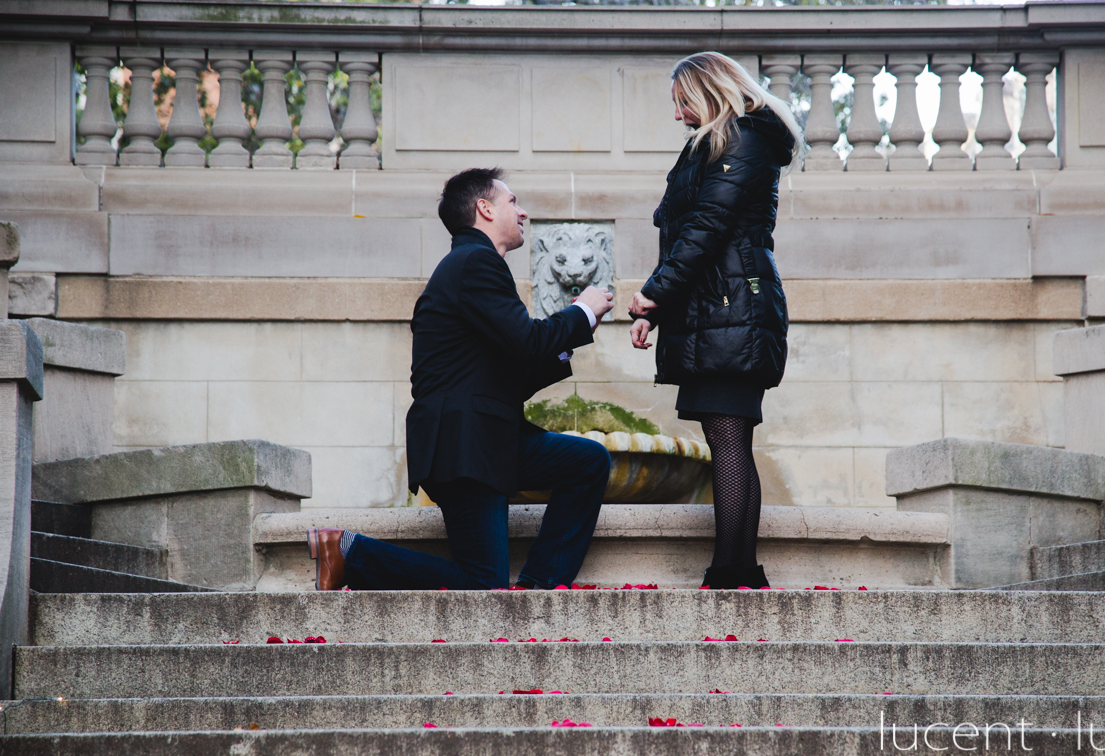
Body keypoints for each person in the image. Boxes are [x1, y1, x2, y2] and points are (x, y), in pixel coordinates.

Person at [309, 167, 614, 591]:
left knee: (587, 462)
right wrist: (581, 312)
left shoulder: (471, 267)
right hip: (465, 444)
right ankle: (350, 553)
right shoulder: (475, 262)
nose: (523, 212)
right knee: (483, 585)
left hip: (488, 436)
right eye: (512, 202)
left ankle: (539, 587)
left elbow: (509, 374)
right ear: (484, 209)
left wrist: (574, 335)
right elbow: (526, 340)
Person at [628, 52, 799, 590]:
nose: (678, 114)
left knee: (728, 437)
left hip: (733, 310)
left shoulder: (743, 140)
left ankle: (732, 573)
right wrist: (657, 309)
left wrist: (652, 295)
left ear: (708, 92)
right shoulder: (721, 143)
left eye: (682, 102)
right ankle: (738, 570)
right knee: (729, 438)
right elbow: (689, 236)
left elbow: (706, 228)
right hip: (720, 309)